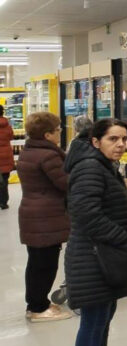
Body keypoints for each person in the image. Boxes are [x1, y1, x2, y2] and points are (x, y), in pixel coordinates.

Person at [64, 118, 127, 346]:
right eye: (113, 139)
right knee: (92, 321)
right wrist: (125, 240)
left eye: (124, 139)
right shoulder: (90, 168)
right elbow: (86, 215)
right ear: (95, 142)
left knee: (105, 315)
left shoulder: (104, 165)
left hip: (104, 255)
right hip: (91, 257)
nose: (120, 144)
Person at [17, 111, 72, 322]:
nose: (60, 133)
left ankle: (37, 302)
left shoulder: (28, 151)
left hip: (33, 213)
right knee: (45, 264)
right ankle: (38, 307)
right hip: (45, 216)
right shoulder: (48, 155)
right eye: (57, 130)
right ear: (48, 135)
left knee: (37, 262)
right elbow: (64, 183)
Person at [0, 103, 14, 209]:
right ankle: (3, 202)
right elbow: (11, 137)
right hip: (6, 155)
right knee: (4, 180)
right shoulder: (7, 125)